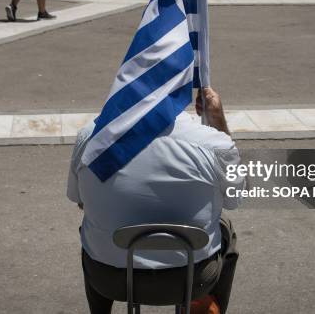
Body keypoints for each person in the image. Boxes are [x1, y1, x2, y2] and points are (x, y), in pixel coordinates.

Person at [68, 87, 245, 314]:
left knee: (90, 228)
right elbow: (234, 199)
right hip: (192, 278)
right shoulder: (213, 144)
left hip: (109, 279)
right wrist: (218, 121)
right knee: (226, 229)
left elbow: (81, 202)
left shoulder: (90, 136)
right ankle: (207, 309)